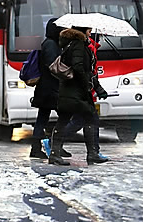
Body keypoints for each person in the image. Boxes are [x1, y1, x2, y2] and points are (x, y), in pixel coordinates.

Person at [49, 26, 108, 166]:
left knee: (64, 120)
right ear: (82, 31)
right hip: (75, 91)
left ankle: (54, 154)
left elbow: (85, 69)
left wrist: (96, 87)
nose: (90, 32)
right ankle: (92, 154)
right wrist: (86, 84)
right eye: (88, 30)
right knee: (90, 118)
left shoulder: (71, 43)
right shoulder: (78, 45)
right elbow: (78, 67)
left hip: (69, 90)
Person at [62, 33, 110, 161]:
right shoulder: (88, 48)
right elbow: (89, 73)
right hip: (83, 92)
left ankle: (93, 152)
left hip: (82, 91)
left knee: (80, 120)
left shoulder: (85, 47)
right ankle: (93, 153)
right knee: (91, 120)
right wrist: (95, 89)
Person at [29, 18, 71, 159]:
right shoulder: (51, 45)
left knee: (42, 117)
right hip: (51, 88)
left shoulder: (49, 43)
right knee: (65, 115)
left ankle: (38, 148)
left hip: (46, 88)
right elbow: (53, 67)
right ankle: (55, 146)